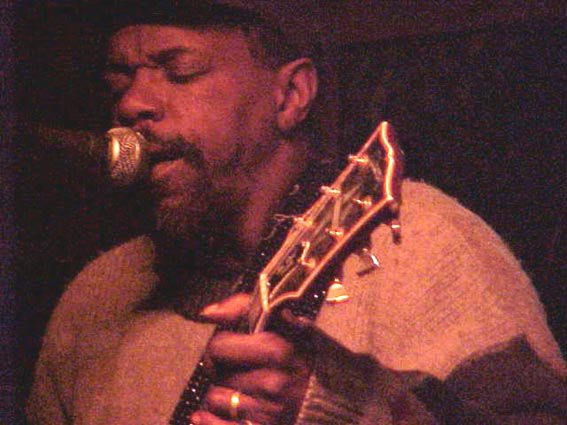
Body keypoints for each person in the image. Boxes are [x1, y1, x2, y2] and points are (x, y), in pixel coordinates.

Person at [27, 1, 566, 424]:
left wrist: (349, 409)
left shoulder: (422, 241)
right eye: (119, 82)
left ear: (290, 96)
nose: (131, 104)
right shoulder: (97, 294)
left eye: (179, 71)